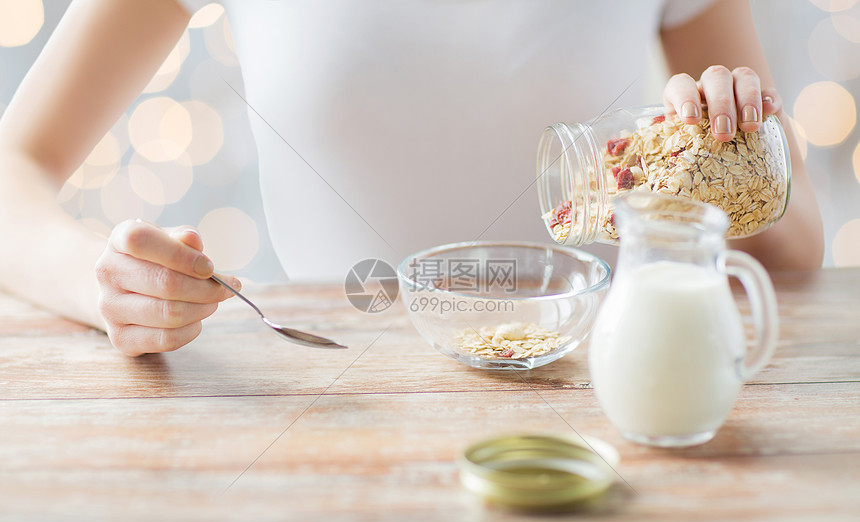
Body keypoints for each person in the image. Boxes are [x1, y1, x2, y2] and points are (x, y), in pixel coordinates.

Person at [0, 0, 824, 356]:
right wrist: (102, 283)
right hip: (331, 405)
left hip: (598, 392)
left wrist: (725, 161)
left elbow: (795, 252)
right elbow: (13, 172)